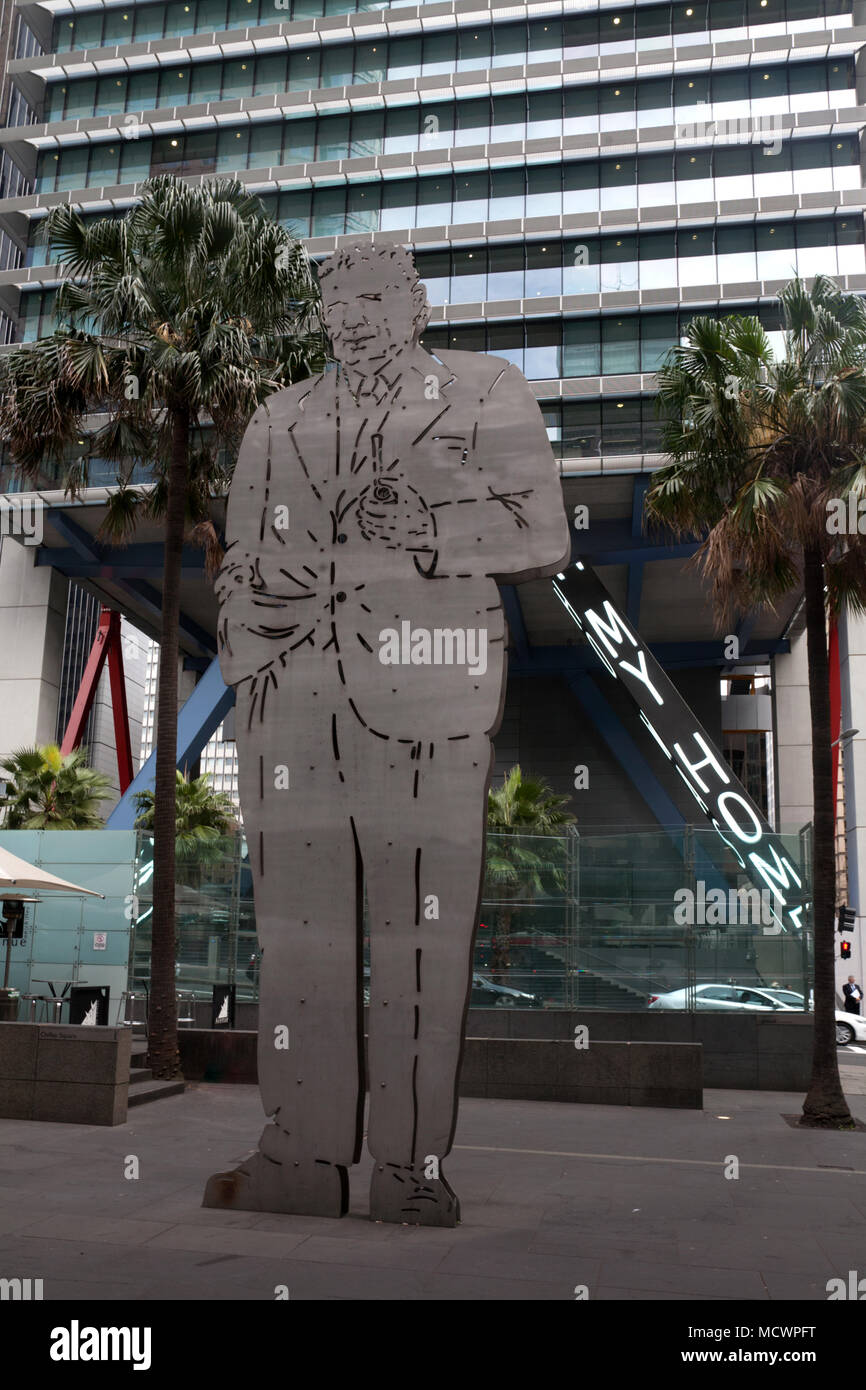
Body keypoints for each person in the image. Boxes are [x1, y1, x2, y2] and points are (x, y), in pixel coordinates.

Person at [203, 241, 570, 1225]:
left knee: (420, 943)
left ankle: (409, 1168)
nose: (348, 316)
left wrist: (428, 522)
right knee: (299, 947)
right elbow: (237, 556)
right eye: (333, 301)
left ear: (412, 303)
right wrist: (252, 634)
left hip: (427, 693)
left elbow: (542, 529)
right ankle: (298, 1155)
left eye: (368, 297)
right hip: (290, 705)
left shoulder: (485, 389)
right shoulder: (279, 414)